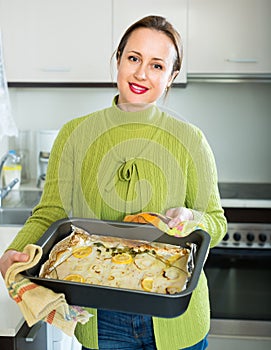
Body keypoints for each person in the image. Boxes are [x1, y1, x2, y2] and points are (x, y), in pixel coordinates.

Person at [0, 15, 227, 350]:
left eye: (157, 65)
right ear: (117, 59)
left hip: (175, 316)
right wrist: (15, 252)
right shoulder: (75, 135)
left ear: (171, 77)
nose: (141, 73)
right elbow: (50, 213)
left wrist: (190, 220)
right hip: (100, 318)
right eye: (133, 58)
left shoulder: (190, 140)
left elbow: (216, 222)